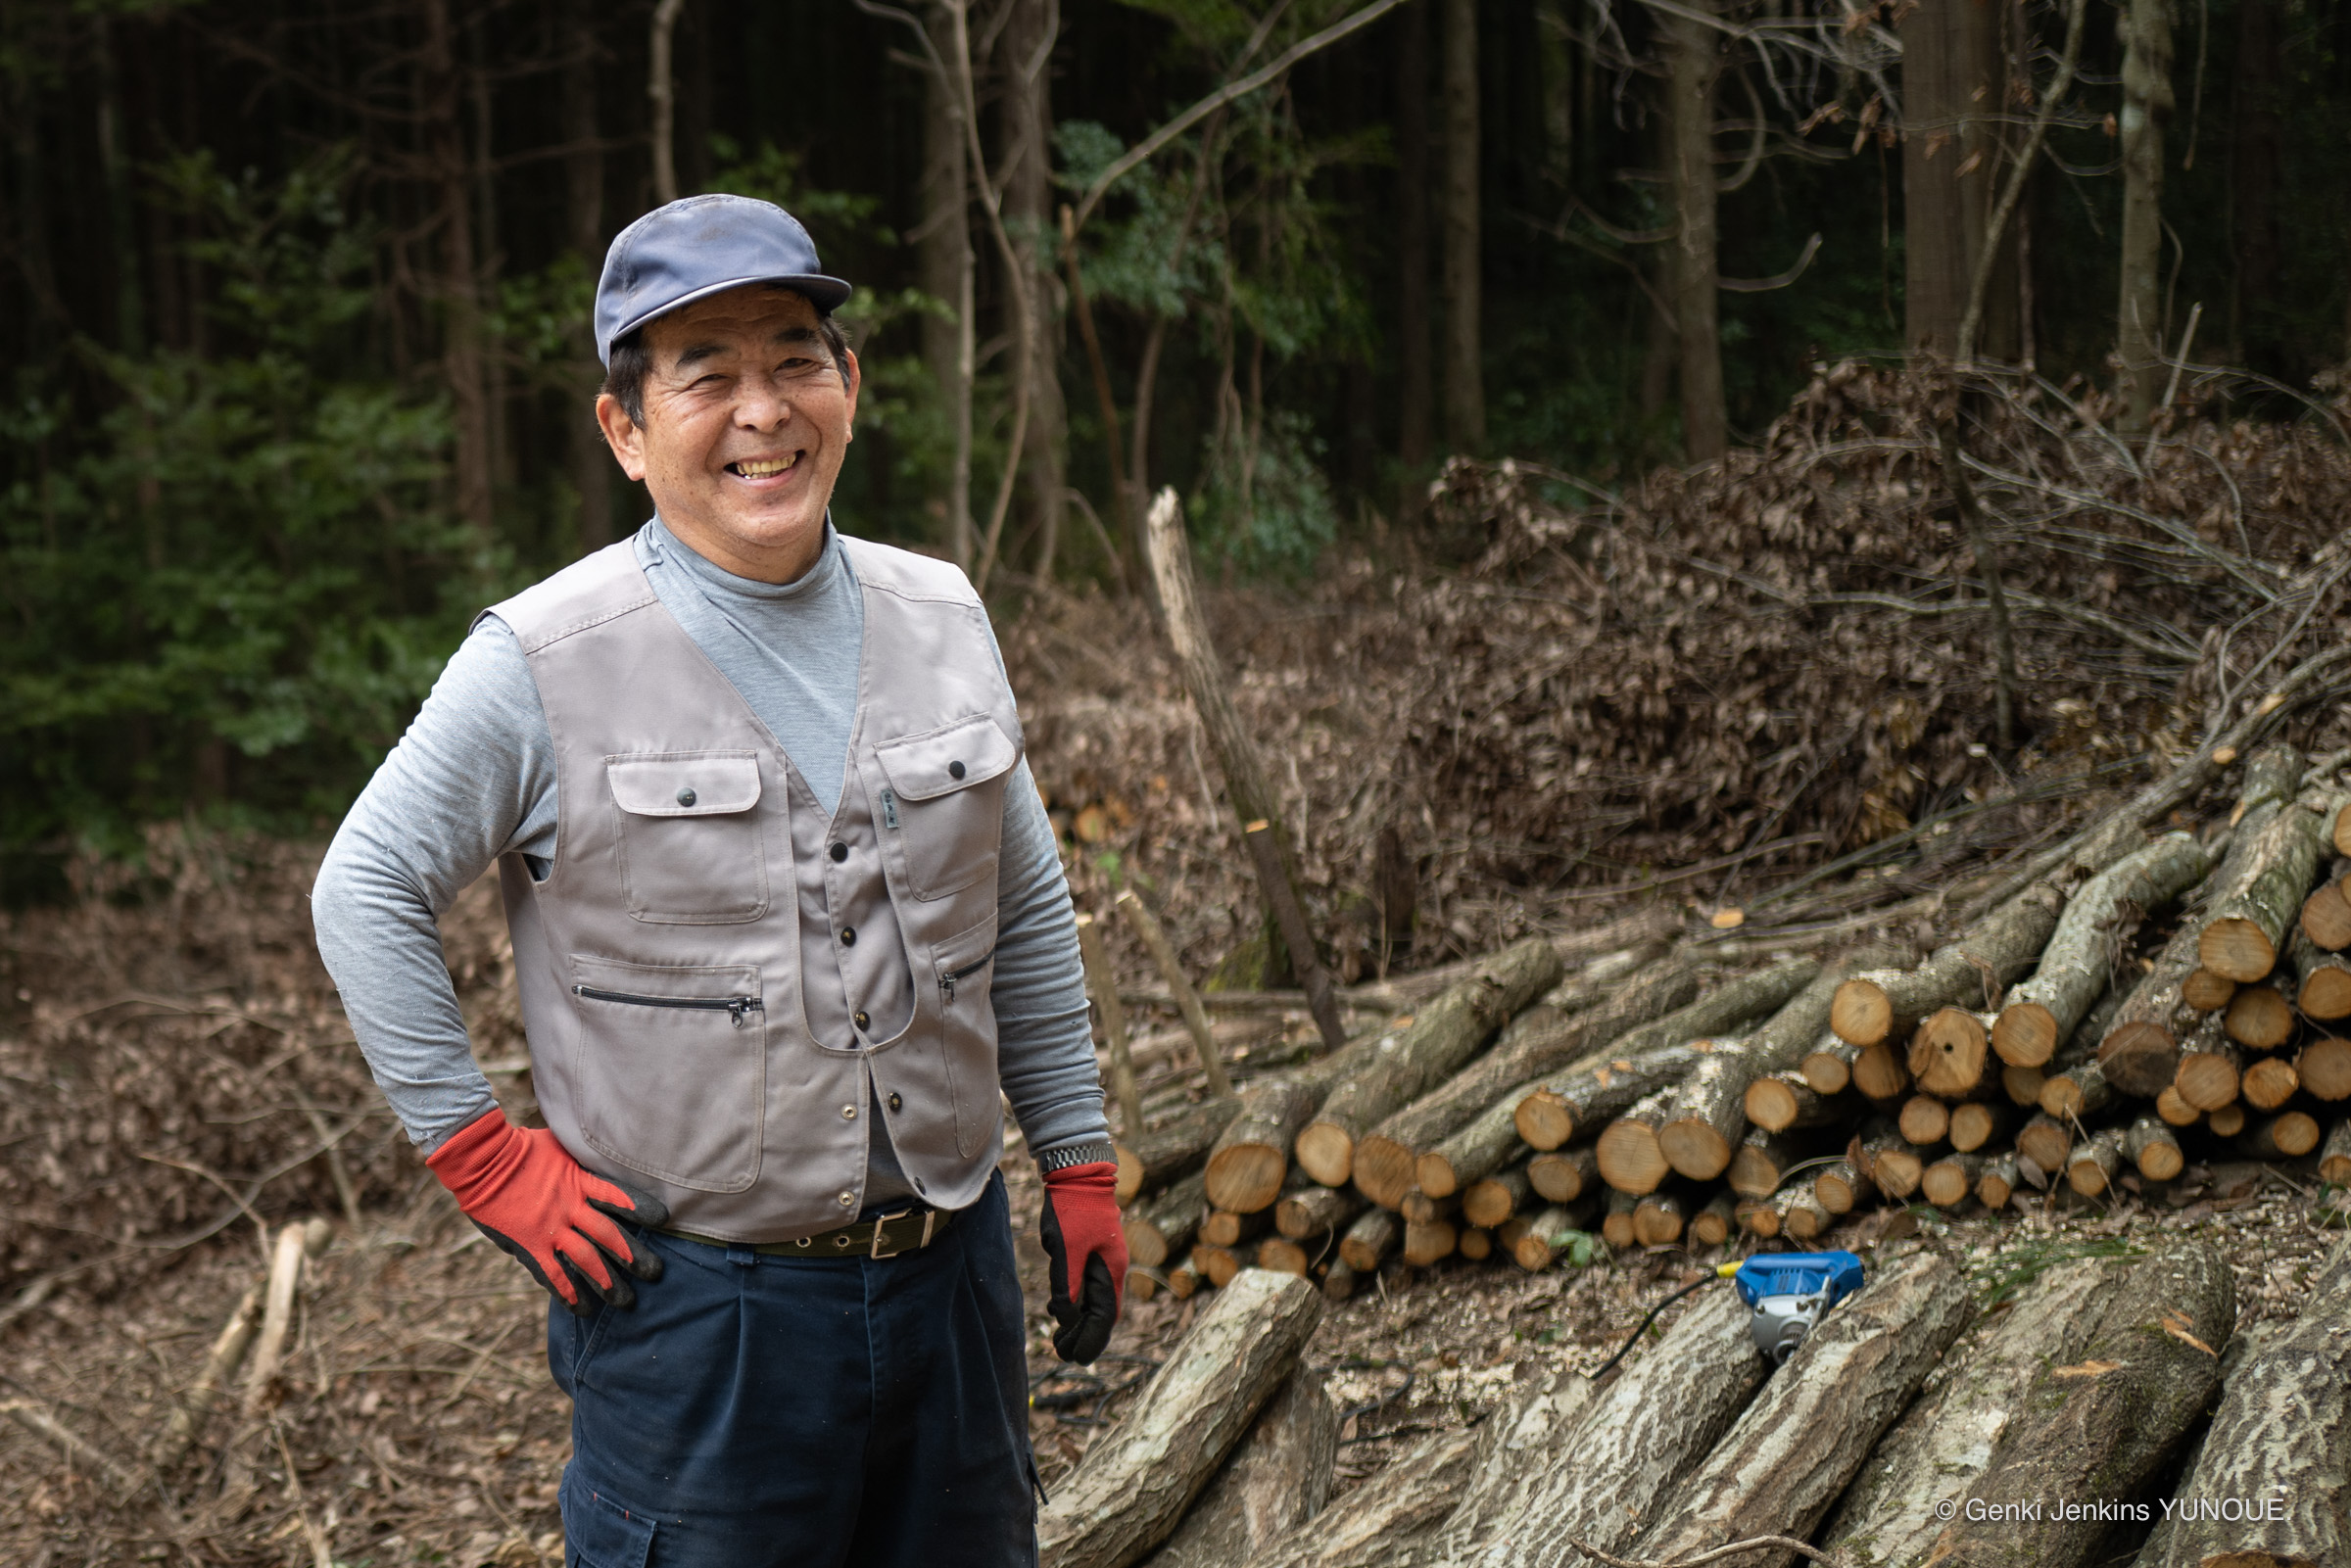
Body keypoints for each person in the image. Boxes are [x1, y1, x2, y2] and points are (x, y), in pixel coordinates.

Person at [312, 193, 1127, 1568]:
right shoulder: (543, 660)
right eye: (707, 373)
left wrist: (1080, 1156)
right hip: (698, 1315)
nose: (764, 408)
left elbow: (1023, 900)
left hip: (953, 1281)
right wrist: (483, 1155)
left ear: (850, 386)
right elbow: (365, 886)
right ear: (626, 429)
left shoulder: (944, 612)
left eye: (796, 357)